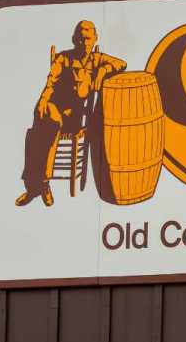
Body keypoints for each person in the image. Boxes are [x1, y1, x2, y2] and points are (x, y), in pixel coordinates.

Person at [16, 20, 126, 207]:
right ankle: (41, 184)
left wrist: (103, 71)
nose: (85, 43)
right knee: (45, 122)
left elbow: (121, 64)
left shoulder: (97, 59)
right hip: (54, 109)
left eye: (88, 39)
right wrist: (42, 101)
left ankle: (35, 186)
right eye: (81, 39)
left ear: (95, 39)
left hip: (76, 117)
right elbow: (51, 83)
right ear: (74, 40)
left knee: (39, 131)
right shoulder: (63, 58)